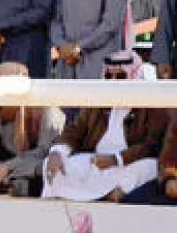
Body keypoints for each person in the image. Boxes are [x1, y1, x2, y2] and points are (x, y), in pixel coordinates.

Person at [43, 52, 166, 203]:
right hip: (97, 162)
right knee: (53, 163)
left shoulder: (149, 106)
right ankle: (102, 194)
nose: (114, 82)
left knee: (150, 167)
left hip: (128, 163)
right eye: (109, 77)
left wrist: (116, 159)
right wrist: (57, 152)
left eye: (120, 77)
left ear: (134, 77)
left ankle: (98, 194)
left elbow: (150, 146)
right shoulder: (100, 102)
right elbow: (74, 131)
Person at [0, 61, 65, 197]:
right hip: (6, 168)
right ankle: (10, 184)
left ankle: (9, 183)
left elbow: (43, 152)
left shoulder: (47, 111)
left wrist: (6, 168)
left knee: (40, 167)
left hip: (33, 166)